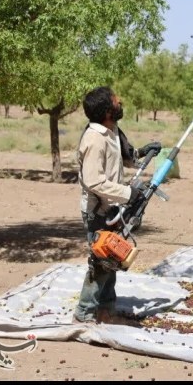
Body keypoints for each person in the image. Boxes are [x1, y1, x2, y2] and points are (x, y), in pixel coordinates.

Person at [73, 86, 161, 324]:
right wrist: (128, 193)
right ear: (106, 111)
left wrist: (142, 152)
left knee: (112, 258)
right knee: (101, 261)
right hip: (97, 211)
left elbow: (124, 156)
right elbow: (93, 181)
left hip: (112, 207)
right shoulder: (94, 138)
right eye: (115, 101)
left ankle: (106, 310)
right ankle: (84, 314)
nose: (120, 102)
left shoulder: (112, 131)